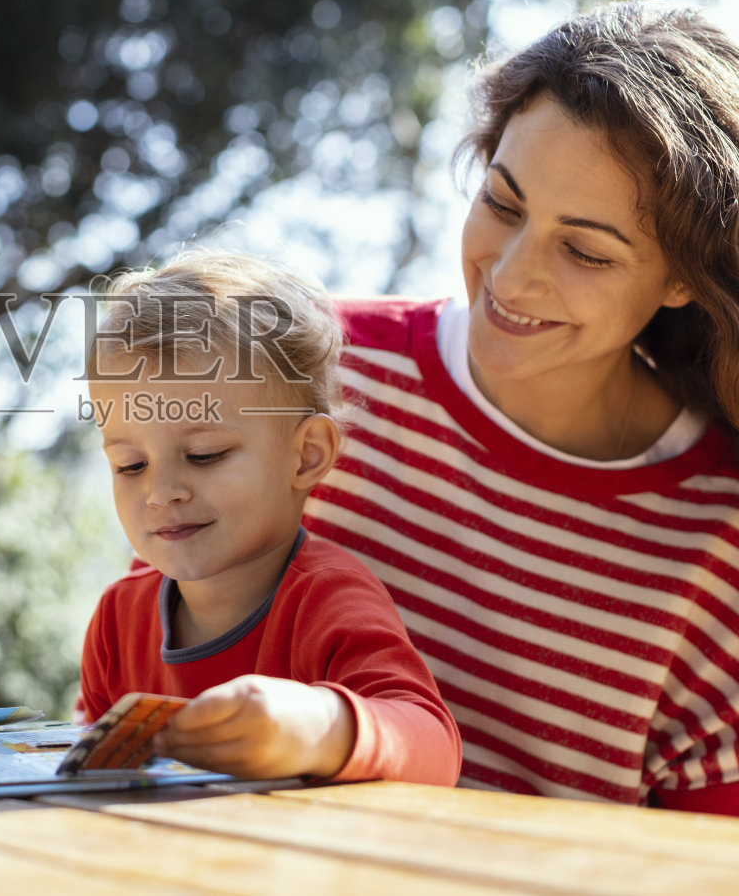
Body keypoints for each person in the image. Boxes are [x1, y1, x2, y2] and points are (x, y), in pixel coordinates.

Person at [302, 0, 739, 832]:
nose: (511, 273)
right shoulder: (310, 377)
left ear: (685, 276)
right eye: (503, 201)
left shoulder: (733, 558)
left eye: (584, 249)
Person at [76, 251, 462, 784]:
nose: (161, 492)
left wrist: (320, 726)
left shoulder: (328, 600)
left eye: (205, 454)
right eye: (130, 464)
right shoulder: (118, 620)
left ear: (306, 455)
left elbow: (435, 744)